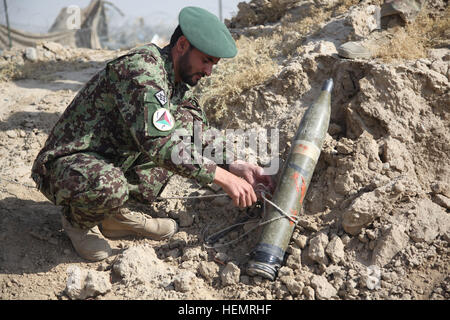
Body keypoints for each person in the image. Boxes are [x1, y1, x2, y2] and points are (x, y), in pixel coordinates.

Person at [31, 7, 274, 262]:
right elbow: (158, 143)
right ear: (182, 45)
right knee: (117, 181)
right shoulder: (142, 70)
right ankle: (76, 222)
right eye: (206, 60)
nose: (209, 71)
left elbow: (196, 132)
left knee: (176, 150)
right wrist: (221, 177)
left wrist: (235, 165)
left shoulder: (177, 81)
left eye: (213, 64)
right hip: (68, 162)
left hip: (110, 157)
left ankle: (114, 217)